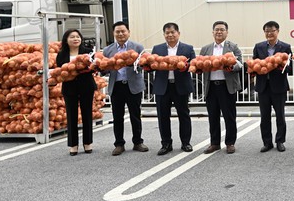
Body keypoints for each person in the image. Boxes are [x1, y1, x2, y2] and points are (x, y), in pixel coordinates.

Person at [102, 21, 148, 156]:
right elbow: (104, 69)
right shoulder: (108, 50)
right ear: (113, 33)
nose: (121, 34)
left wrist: (134, 64)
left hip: (133, 85)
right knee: (117, 116)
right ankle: (119, 144)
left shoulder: (138, 47)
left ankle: (138, 142)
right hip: (116, 86)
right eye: (118, 32)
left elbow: (144, 65)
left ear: (128, 32)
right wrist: (104, 67)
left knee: (135, 115)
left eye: (123, 31)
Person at [151, 22, 196, 156]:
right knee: (163, 116)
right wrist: (147, 65)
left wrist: (185, 66)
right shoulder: (157, 48)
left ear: (178, 33)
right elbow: (151, 65)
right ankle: (166, 144)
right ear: (164, 34)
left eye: (172, 32)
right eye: (167, 33)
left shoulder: (187, 48)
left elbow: (193, 65)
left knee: (184, 115)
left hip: (180, 86)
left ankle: (186, 142)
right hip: (162, 86)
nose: (170, 35)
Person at [201, 21, 244, 155]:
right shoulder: (206, 49)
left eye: (222, 30)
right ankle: (214, 143)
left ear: (227, 32)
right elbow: (200, 64)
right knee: (213, 116)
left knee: (229, 116)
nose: (219, 32)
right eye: (217, 30)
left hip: (227, 86)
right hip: (211, 86)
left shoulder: (233, 47)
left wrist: (230, 65)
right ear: (213, 32)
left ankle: (230, 143)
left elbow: (240, 65)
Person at [56, 28, 97, 156]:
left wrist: (86, 68)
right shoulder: (62, 54)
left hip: (86, 86)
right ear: (66, 40)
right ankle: (73, 145)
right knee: (71, 115)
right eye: (72, 37)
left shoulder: (88, 52)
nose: (75, 39)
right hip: (69, 87)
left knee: (87, 114)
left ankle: (88, 143)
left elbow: (94, 67)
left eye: (77, 36)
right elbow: (60, 70)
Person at [253, 20, 292, 153]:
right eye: (267, 31)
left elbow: (290, 66)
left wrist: (281, 66)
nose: (269, 33)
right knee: (264, 116)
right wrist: (254, 69)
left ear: (278, 31)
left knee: (280, 115)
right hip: (263, 86)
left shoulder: (285, 47)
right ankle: (267, 142)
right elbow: (254, 64)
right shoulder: (258, 47)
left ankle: (280, 141)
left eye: (272, 31)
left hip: (279, 85)